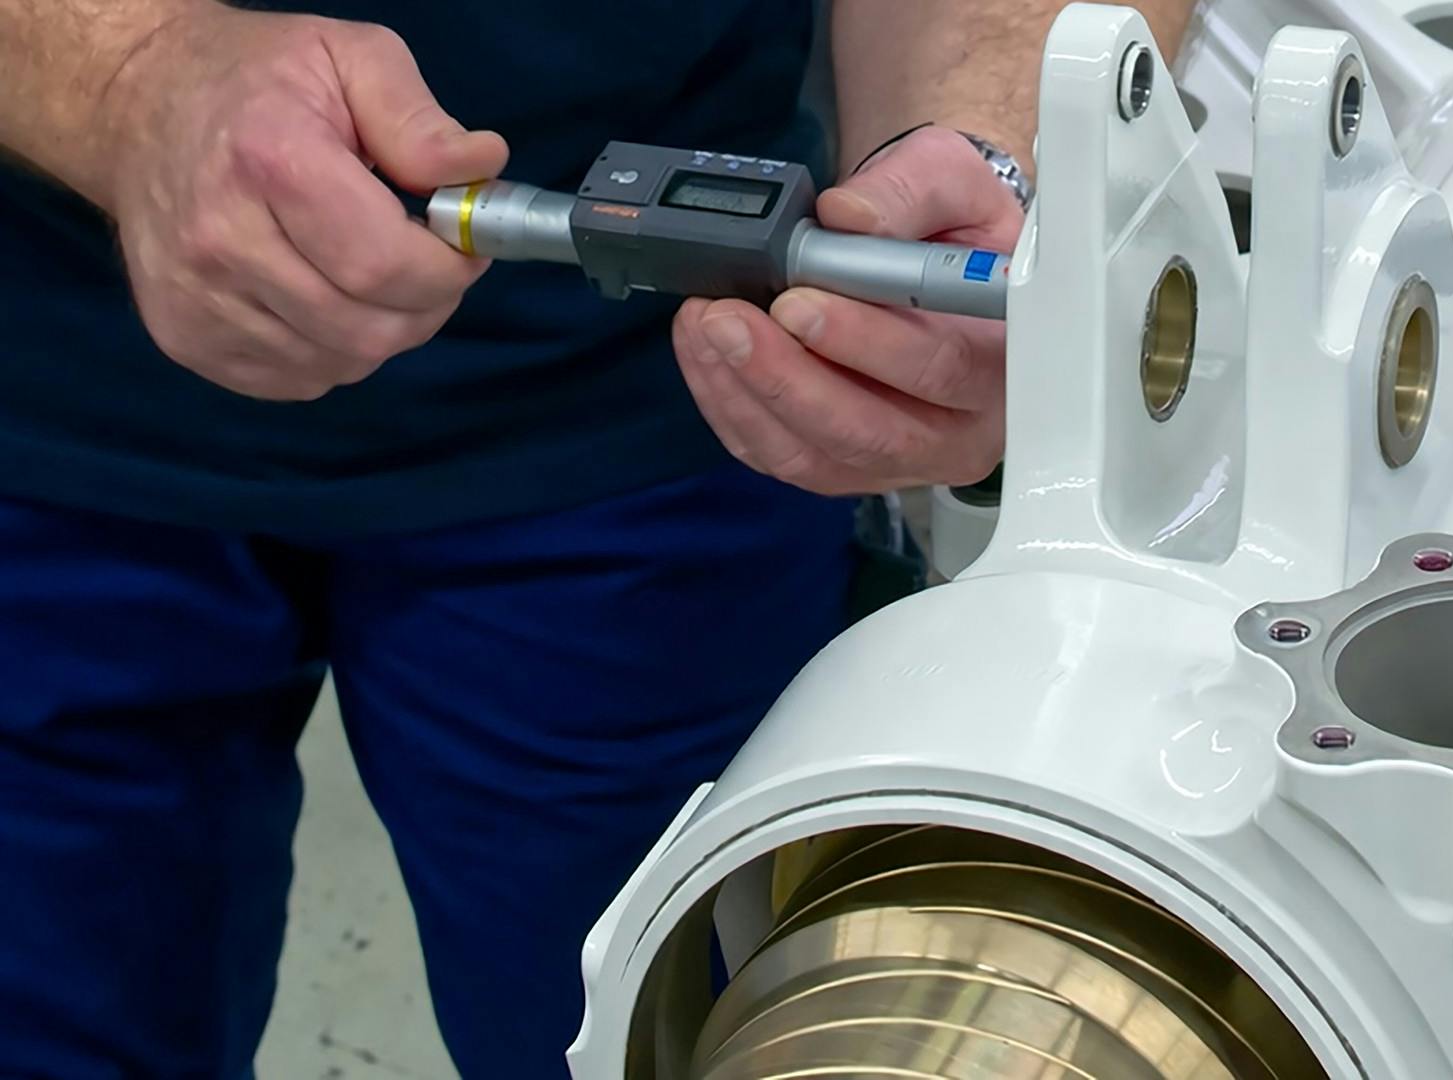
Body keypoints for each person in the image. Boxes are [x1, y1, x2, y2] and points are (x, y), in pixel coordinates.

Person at [0, 0, 1190, 1076]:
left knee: (698, 1032)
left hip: (664, 432)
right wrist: (121, 73)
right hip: (37, 400)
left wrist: (995, 157)